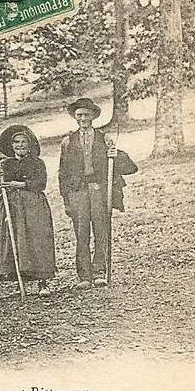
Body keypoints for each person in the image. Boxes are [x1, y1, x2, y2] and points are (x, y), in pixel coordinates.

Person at [57, 97, 138, 289]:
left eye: (86, 114)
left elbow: (130, 167)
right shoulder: (67, 142)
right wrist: (67, 200)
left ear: (93, 116)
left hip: (99, 191)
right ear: (75, 117)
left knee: (101, 231)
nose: (83, 118)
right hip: (78, 193)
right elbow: (62, 173)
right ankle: (84, 276)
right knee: (81, 234)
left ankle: (100, 272)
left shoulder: (104, 138)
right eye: (79, 115)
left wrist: (115, 154)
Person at [0, 125, 56, 297]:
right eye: (16, 142)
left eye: (24, 142)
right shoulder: (5, 164)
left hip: (33, 205)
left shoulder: (37, 163)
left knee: (37, 239)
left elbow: (41, 184)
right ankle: (20, 283)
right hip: (12, 207)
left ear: (30, 144)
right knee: (16, 242)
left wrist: (20, 185)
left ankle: (43, 283)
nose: (20, 145)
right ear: (11, 146)